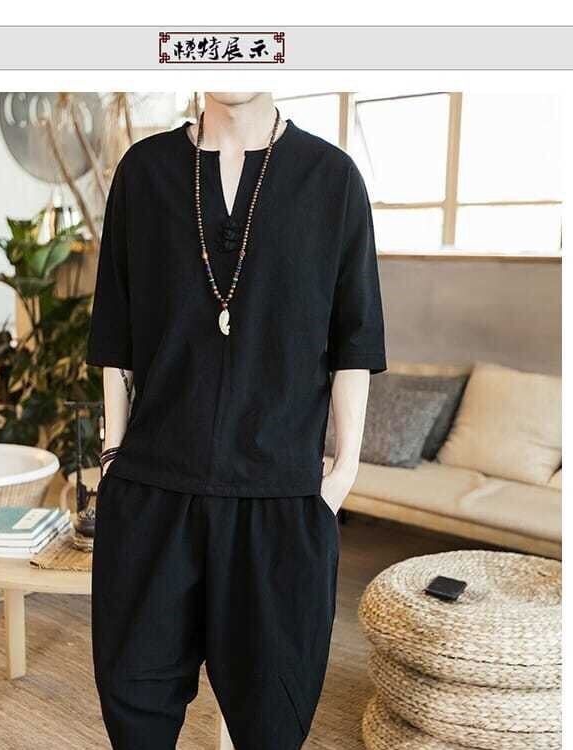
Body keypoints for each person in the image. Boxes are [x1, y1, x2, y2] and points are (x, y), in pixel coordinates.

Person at [87, 91, 386, 750]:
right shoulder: (144, 172)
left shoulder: (331, 179)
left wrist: (343, 472)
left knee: (273, 724)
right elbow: (114, 329)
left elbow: (355, 341)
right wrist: (113, 453)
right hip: (152, 493)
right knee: (134, 712)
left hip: (280, 503)